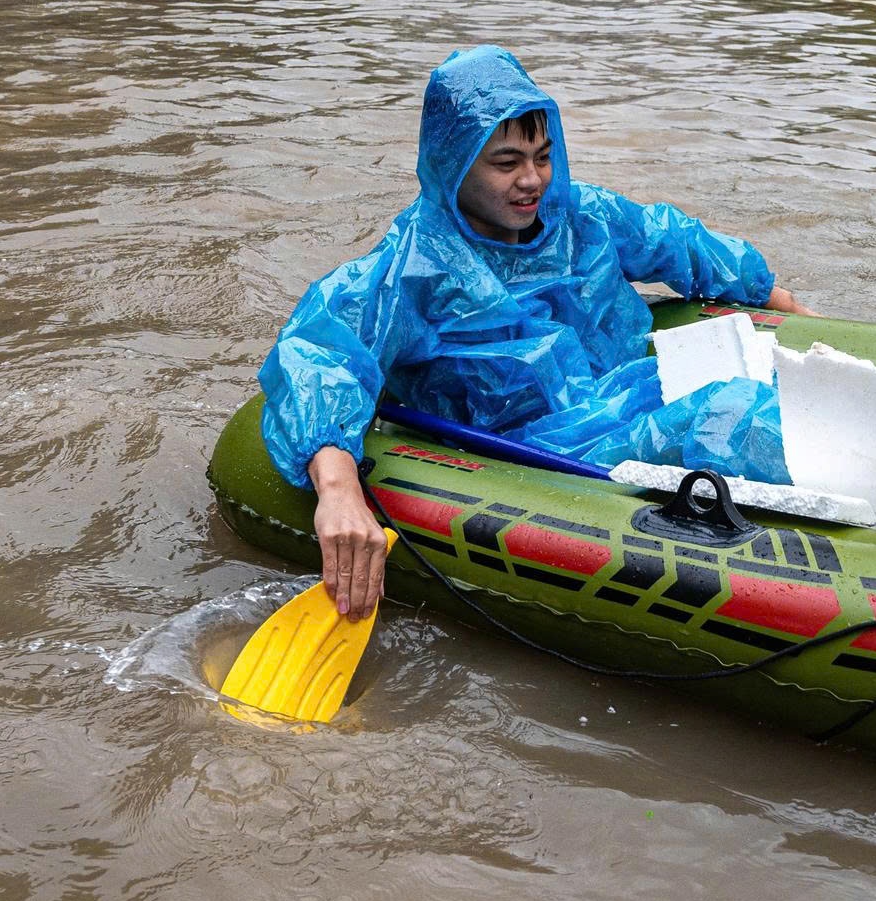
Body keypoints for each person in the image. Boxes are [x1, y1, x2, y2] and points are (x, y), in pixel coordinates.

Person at [259, 46, 810, 620]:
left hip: (623, 392)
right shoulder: (412, 267)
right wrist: (339, 490)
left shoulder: (578, 215)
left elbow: (674, 240)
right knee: (735, 412)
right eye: (506, 163)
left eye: (543, 157)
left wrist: (779, 298)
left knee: (783, 384)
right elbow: (317, 352)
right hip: (538, 448)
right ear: (455, 163)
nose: (532, 180)